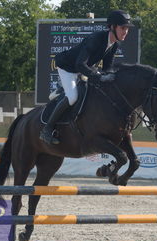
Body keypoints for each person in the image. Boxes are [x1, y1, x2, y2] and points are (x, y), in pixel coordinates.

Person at [40, 10, 134, 145]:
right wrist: (97, 76)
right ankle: (46, 130)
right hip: (68, 67)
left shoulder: (115, 44)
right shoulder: (95, 39)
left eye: (127, 28)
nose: (125, 31)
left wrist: (113, 77)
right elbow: (79, 64)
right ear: (112, 27)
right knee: (73, 97)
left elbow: (107, 68)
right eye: (123, 28)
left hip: (83, 68)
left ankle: (62, 91)